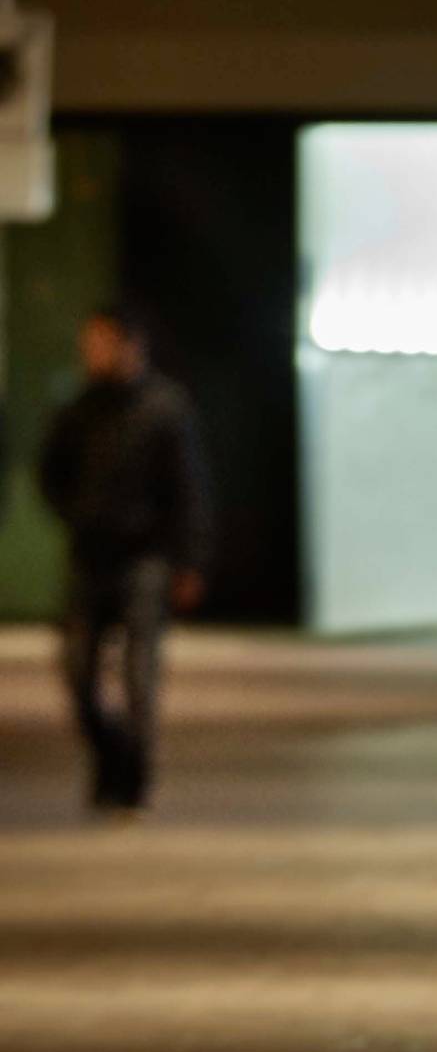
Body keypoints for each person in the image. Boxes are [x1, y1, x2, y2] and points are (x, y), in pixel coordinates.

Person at [39, 305, 212, 814]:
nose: (90, 353)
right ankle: (112, 757)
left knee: (140, 676)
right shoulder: (78, 410)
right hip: (90, 558)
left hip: (146, 559)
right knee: (77, 672)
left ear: (130, 344)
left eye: (100, 342)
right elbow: (51, 474)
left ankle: (133, 780)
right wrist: (77, 514)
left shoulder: (165, 409)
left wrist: (190, 561)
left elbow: (189, 490)